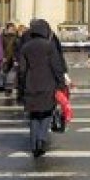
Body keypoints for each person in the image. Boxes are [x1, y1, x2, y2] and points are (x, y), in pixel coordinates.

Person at [20, 19, 66, 157]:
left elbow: (22, 70)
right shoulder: (49, 46)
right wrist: (61, 83)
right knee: (46, 113)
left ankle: (34, 144)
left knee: (33, 115)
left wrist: (22, 85)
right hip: (48, 83)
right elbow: (56, 66)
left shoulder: (26, 47)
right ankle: (41, 139)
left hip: (30, 84)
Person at [0, 22, 19, 95]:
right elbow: (1, 47)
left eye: (13, 28)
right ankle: (5, 87)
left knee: (12, 74)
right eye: (10, 29)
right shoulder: (2, 37)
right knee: (5, 73)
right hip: (5, 57)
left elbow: (17, 48)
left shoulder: (16, 37)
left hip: (13, 57)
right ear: (7, 29)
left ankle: (9, 89)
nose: (12, 30)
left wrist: (16, 58)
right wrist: (2, 57)